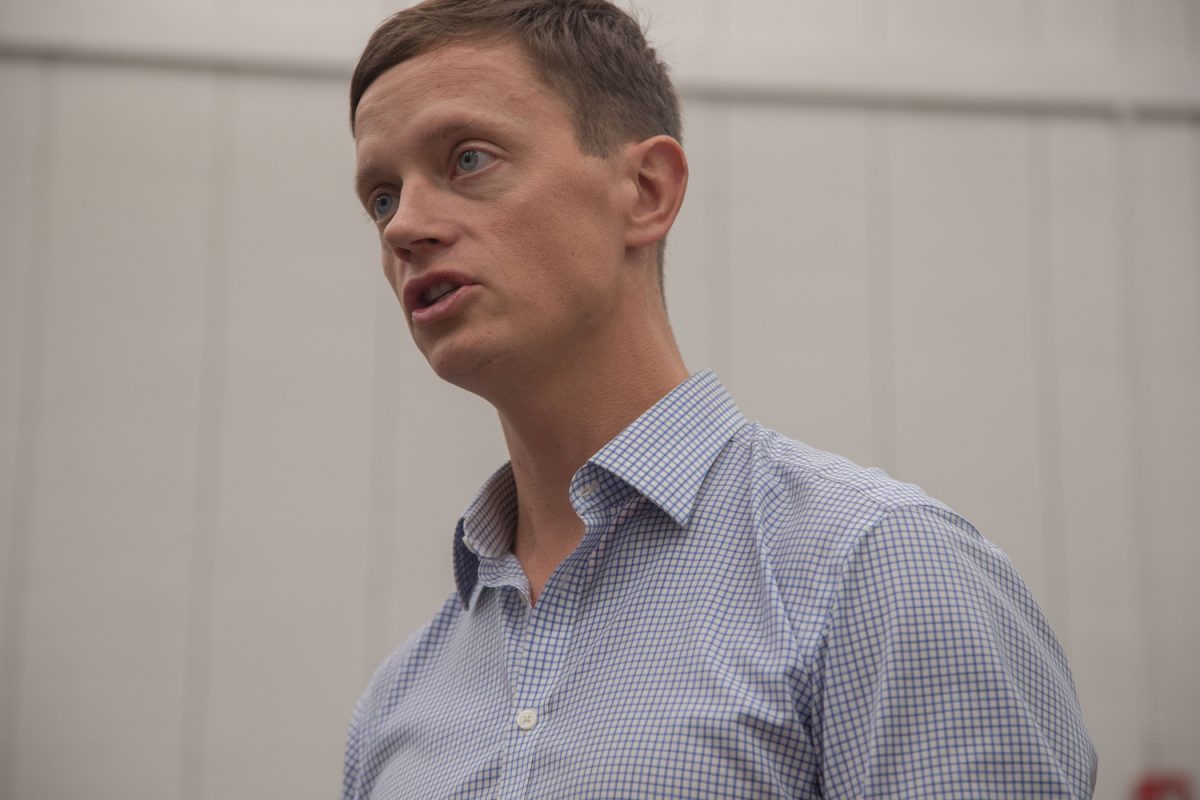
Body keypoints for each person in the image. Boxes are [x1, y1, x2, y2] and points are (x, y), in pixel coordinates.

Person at [342, 0, 1098, 797]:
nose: (404, 227)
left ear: (645, 189)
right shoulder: (398, 704)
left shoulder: (878, 575)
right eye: (382, 197)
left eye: (467, 160)